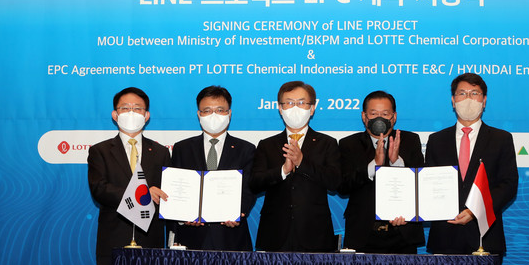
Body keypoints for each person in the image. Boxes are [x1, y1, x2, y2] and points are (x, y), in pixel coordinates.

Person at [87, 87, 170, 265]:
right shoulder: (100, 151)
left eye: (137, 108)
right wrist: (142, 192)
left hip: (151, 239)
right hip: (113, 240)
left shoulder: (161, 152)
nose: (131, 113)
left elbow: (168, 196)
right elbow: (99, 189)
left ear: (147, 115)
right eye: (125, 108)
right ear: (115, 114)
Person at [425, 73, 518, 255]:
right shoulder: (436, 140)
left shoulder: (501, 139)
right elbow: (428, 184)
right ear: (453, 101)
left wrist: (474, 211)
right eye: (462, 93)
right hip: (445, 236)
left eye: (474, 93)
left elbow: (508, 185)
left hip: (485, 237)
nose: (468, 98)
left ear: (484, 101)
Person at [250, 80, 341, 252]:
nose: (295, 108)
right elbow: (255, 183)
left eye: (301, 103)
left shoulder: (327, 143)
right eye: (289, 103)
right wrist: (282, 171)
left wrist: (302, 162)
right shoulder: (267, 145)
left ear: (312, 108)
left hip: (315, 233)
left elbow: (334, 182)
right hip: (275, 233)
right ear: (280, 108)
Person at [170, 86, 256, 251]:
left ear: (229, 113)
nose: (214, 115)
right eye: (207, 110)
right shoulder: (182, 148)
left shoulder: (245, 149)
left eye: (220, 110)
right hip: (191, 237)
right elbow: (176, 190)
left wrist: (238, 212)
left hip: (231, 237)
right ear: (199, 114)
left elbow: (249, 189)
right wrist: (182, 216)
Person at [338, 90, 425, 253]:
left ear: (394, 117)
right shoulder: (349, 144)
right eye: (374, 113)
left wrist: (396, 162)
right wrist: (374, 165)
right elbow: (342, 186)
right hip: (363, 234)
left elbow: (421, 184)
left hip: (403, 234)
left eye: (385, 114)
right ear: (364, 117)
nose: (380, 119)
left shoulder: (410, 141)